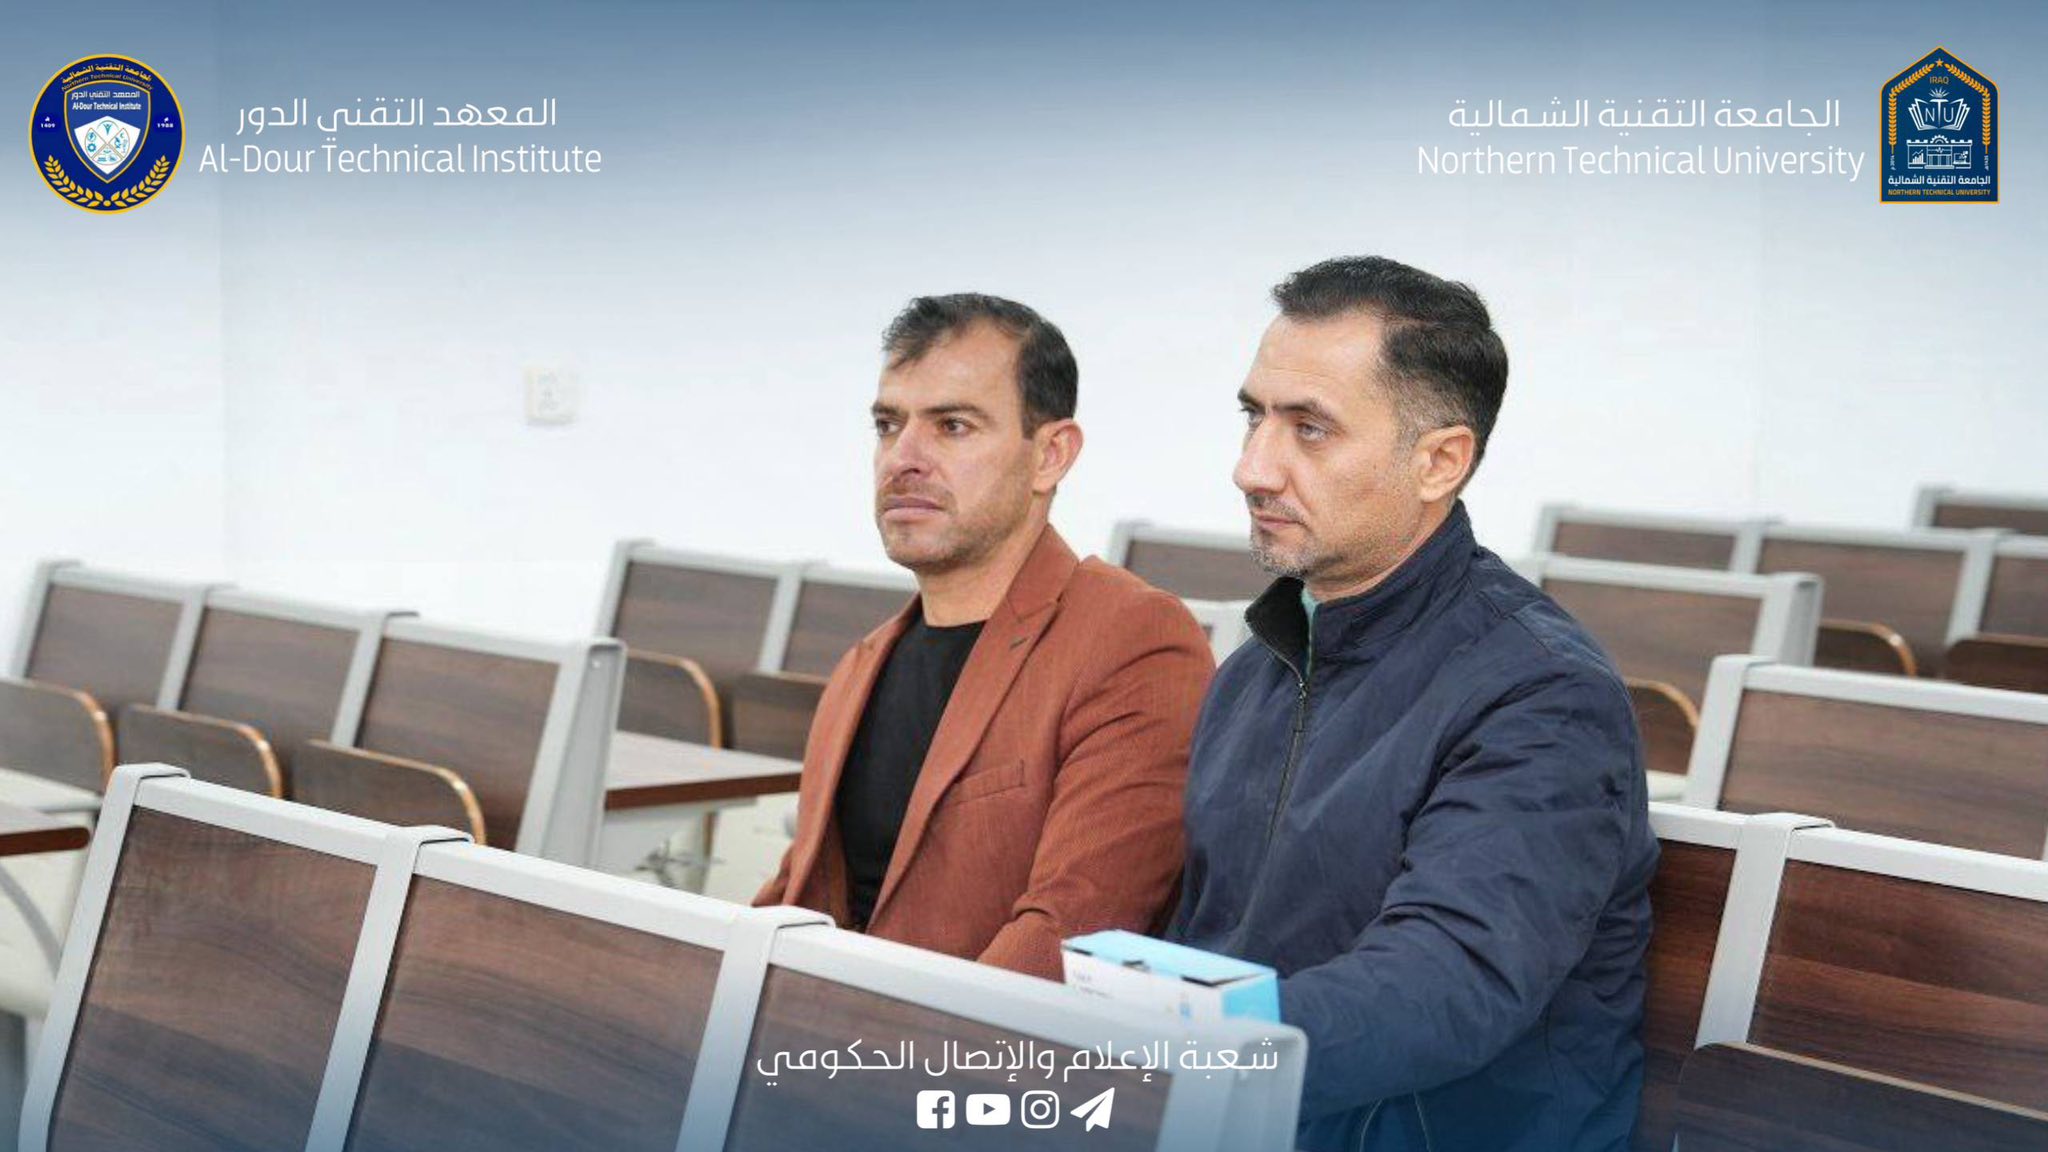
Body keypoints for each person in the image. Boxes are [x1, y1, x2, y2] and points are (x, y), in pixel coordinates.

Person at [1168, 257, 1658, 1151]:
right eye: (1253, 417)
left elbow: (1445, 985)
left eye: (1309, 429)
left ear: (1439, 462)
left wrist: (1186, 1059)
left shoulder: (1543, 694)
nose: (1251, 468)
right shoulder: (1258, 667)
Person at [755, 292, 1212, 981]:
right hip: (835, 1030)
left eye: (953, 426)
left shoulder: (1133, 642)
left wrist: (884, 1038)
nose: (903, 457)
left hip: (972, 1043)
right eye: (888, 424)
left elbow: (1068, 930)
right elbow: (802, 895)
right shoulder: (862, 663)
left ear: (1050, 455)